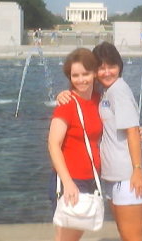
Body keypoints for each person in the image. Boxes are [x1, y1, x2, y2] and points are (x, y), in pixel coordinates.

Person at [57, 42, 142, 241]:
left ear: (120, 66)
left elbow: (133, 132)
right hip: (112, 176)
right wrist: (64, 94)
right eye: (101, 67)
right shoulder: (104, 93)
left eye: (112, 66)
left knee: (132, 236)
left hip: (128, 175)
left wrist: (137, 169)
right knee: (127, 234)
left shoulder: (119, 90)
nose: (107, 72)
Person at [48, 48, 103, 241]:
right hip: (71, 180)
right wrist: (68, 183)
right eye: (75, 75)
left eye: (85, 74)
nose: (81, 80)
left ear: (94, 72)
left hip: (91, 177)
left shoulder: (98, 99)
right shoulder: (67, 104)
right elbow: (54, 145)